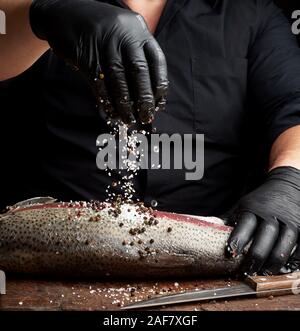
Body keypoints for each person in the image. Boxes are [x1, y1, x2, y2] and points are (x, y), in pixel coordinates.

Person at [0, 0, 300, 276]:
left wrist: (291, 179)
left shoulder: (250, 12)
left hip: (211, 266)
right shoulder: (38, 7)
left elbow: (292, 107)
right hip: (44, 264)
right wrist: (42, 14)